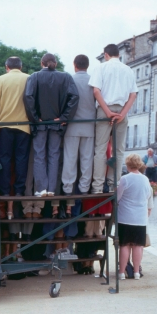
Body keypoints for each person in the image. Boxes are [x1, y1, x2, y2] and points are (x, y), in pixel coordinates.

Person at [24, 53, 79, 214]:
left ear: (42, 63)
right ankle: (52, 189)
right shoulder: (65, 77)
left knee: (39, 155)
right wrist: (64, 117)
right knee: (54, 155)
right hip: (56, 123)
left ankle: (41, 188)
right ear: (55, 63)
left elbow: (28, 97)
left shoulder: (34, 77)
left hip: (40, 123)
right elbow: (74, 97)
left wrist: (35, 117)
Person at [89, 44, 138, 193]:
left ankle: (97, 187)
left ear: (106, 55)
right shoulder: (128, 69)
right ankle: (113, 184)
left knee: (100, 149)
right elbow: (133, 95)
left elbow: (96, 91)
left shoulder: (101, 68)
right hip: (122, 110)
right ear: (118, 54)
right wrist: (122, 113)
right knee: (118, 149)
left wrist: (107, 112)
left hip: (105, 110)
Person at [0, 56, 31, 219]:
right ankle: (20, 190)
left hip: (5, 125)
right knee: (22, 159)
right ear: (21, 67)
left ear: (6, 66)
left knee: (5, 159)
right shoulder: (29, 79)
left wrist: (2, 116)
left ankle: (5, 190)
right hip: (24, 126)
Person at [61, 54, 96, 215]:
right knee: (87, 158)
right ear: (87, 65)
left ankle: (68, 188)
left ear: (75, 65)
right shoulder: (94, 80)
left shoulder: (69, 79)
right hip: (89, 125)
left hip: (73, 125)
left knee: (70, 158)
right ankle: (84, 188)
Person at [116, 154, 153, 280]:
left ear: (128, 165)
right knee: (138, 246)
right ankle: (137, 272)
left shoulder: (125, 179)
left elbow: (117, 197)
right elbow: (148, 196)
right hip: (140, 218)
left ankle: (122, 272)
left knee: (125, 245)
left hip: (125, 217)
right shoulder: (145, 179)